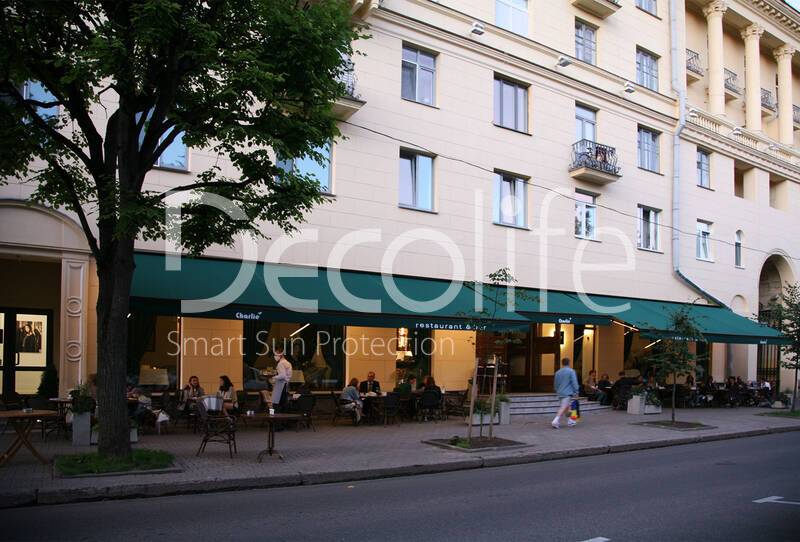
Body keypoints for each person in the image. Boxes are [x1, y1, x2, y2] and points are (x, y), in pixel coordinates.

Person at [552, 358, 580, 429]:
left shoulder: (557, 372)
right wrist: (576, 391)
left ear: (562, 363)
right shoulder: (571, 371)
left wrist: (557, 390)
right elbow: (574, 382)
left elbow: (555, 383)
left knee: (567, 407)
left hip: (560, 392)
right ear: (569, 363)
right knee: (563, 407)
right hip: (567, 392)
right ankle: (555, 420)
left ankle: (571, 420)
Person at [270, 345, 293, 412]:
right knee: (284, 402)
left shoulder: (280, 364)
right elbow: (287, 375)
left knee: (276, 403)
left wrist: (273, 377)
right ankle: (284, 416)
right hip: (286, 384)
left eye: (275, 355)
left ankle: (275, 416)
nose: (275, 357)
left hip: (280, 385)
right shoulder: (288, 363)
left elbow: (282, 375)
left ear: (280, 355)